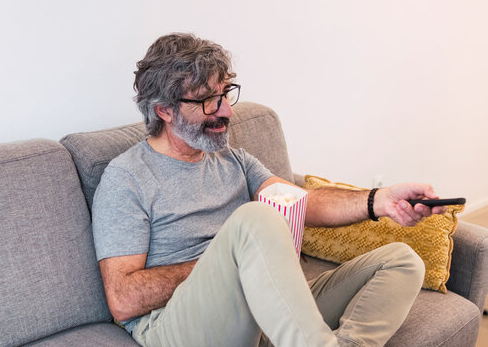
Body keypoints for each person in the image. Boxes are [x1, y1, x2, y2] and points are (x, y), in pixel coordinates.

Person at [92, 33, 446, 347]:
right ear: (164, 111)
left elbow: (302, 202)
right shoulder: (127, 177)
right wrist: (237, 262)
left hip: (258, 303)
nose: (226, 110)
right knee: (256, 218)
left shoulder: (233, 160)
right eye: (206, 100)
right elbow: (123, 299)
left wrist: (379, 201)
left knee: (400, 260)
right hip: (175, 325)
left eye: (226, 93)